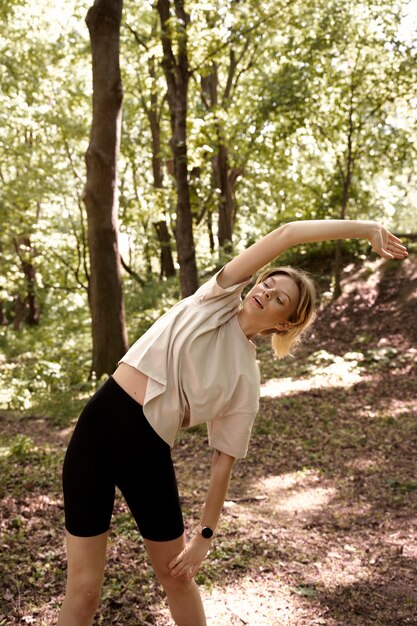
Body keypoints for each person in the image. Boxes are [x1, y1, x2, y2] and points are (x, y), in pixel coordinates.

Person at [57, 219, 407, 626]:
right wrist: (366, 229)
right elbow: (286, 234)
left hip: (146, 451)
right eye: (268, 284)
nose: (267, 293)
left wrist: (204, 536)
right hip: (96, 431)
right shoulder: (215, 299)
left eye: (280, 300)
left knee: (178, 578)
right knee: (83, 589)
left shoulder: (246, 382)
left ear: (285, 322)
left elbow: (222, 461)